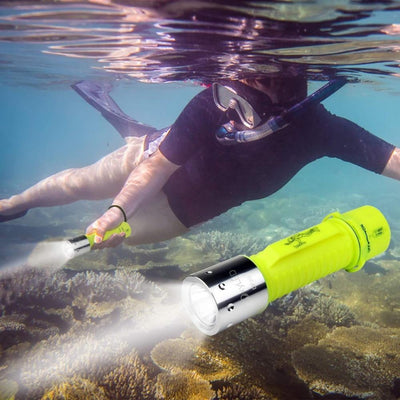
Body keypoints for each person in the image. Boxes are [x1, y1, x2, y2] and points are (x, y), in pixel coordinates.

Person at [1, 75, 399, 251]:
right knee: (79, 184)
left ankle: (127, 126)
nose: (230, 110)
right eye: (231, 91)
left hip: (183, 211)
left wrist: (116, 224)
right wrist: (116, 210)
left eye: (245, 102)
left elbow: (391, 159)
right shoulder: (213, 103)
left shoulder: (320, 129)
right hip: (153, 156)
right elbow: (157, 167)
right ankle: (14, 204)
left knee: (111, 240)